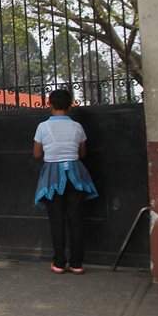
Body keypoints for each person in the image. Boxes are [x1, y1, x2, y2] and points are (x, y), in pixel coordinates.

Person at [33, 89, 98, 274]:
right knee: (76, 219)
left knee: (57, 219)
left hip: (52, 175)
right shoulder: (77, 127)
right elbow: (82, 153)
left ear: (49, 104)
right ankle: (77, 264)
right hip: (76, 175)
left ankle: (59, 263)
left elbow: (37, 154)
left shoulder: (43, 127)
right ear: (70, 106)